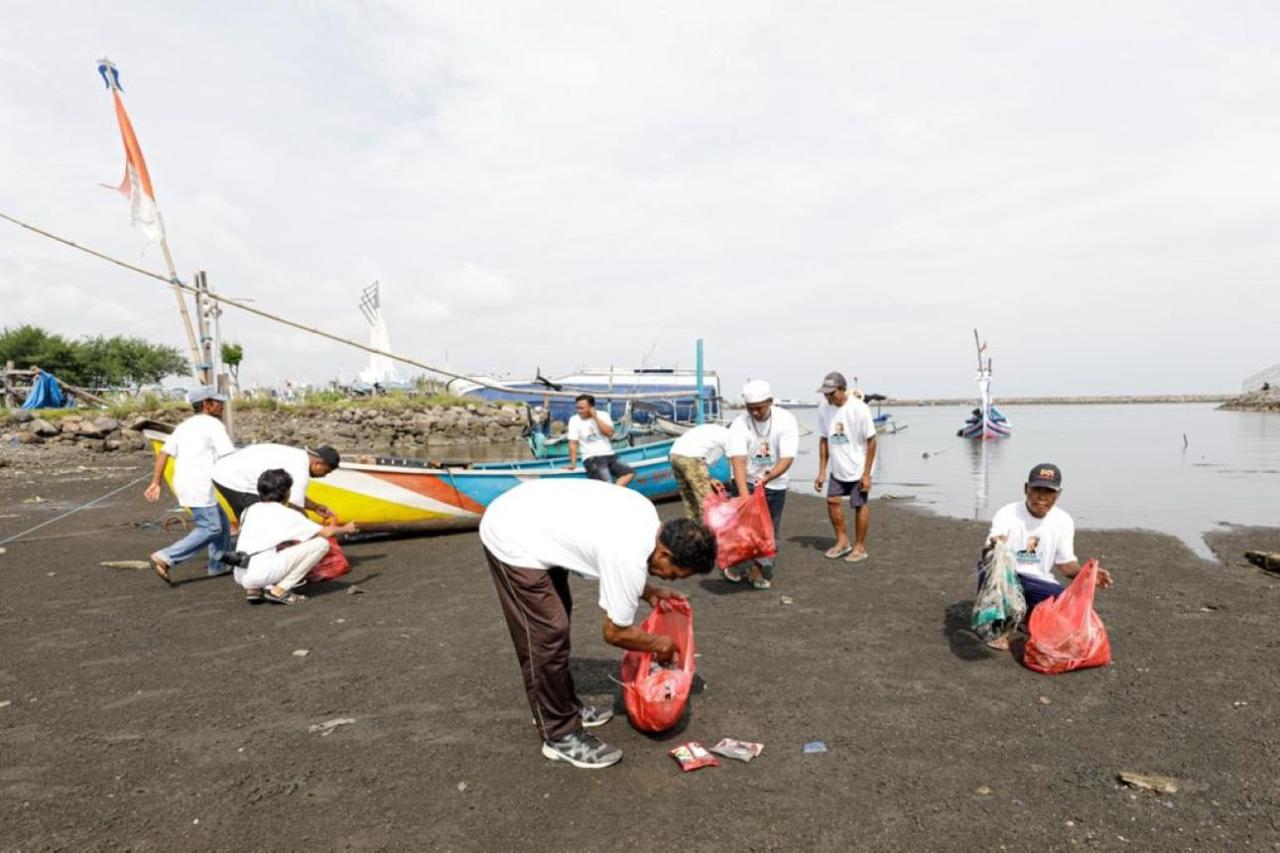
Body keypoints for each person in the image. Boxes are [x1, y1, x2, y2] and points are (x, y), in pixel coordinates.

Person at [480, 479, 717, 769]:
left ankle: (562, 706)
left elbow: (619, 564)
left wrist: (650, 591)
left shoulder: (648, 520)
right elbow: (614, 632)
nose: (670, 580)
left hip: (537, 522)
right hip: (511, 533)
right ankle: (559, 734)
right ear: (665, 553)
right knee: (546, 633)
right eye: (676, 574)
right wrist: (662, 645)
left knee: (557, 618)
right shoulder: (627, 553)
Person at [979, 463, 1113, 649]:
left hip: (1038, 580)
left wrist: (1089, 573)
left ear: (1058, 494)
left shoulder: (1063, 520)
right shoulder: (1008, 513)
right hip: (1007, 576)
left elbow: (1066, 565)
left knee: (1066, 610)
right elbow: (986, 553)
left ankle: (1027, 617)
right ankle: (996, 628)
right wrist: (994, 545)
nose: (1042, 496)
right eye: (1037, 489)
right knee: (988, 568)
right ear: (1026, 489)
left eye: (1049, 492)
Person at [144, 387, 235, 585]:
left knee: (223, 524)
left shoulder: (184, 426)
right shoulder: (212, 424)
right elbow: (228, 455)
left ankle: (219, 564)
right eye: (217, 401)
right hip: (199, 485)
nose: (222, 405)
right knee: (211, 528)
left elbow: (164, 453)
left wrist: (156, 482)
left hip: (185, 483)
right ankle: (165, 557)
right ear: (207, 404)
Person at [234, 468, 356, 604]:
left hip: (240, 573)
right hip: (262, 573)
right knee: (322, 544)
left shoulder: (249, 510)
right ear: (286, 492)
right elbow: (326, 533)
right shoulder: (285, 513)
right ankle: (279, 590)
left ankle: (254, 590)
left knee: (271, 548)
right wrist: (347, 528)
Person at [725, 380, 800, 589]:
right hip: (746, 480)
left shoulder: (786, 420)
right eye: (751, 408)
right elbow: (737, 461)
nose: (755, 413)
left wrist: (769, 477)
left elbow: (787, 458)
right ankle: (736, 561)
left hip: (774, 482)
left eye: (759, 407)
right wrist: (743, 494)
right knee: (743, 528)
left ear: (770, 402)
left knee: (769, 529)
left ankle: (758, 569)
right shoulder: (740, 423)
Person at [812, 371, 878, 563]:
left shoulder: (859, 408)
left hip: (859, 467)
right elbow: (824, 440)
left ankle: (859, 546)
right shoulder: (824, 409)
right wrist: (821, 471)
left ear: (843, 389)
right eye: (825, 394)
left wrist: (867, 474)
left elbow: (872, 441)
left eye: (831, 393)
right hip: (837, 467)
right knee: (832, 501)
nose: (827, 397)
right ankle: (842, 541)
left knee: (859, 505)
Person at [212, 443, 340, 523]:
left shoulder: (298, 457)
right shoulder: (300, 470)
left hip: (227, 470)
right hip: (233, 478)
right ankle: (251, 561)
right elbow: (296, 508)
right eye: (326, 471)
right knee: (260, 524)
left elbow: (293, 496)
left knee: (263, 523)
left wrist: (315, 507)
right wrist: (314, 532)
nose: (324, 476)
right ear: (318, 464)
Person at [565, 394, 634, 487]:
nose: (579, 411)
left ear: (591, 408)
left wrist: (596, 418)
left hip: (609, 455)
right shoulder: (574, 420)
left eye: (582, 408)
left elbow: (609, 433)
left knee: (629, 473)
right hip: (592, 458)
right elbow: (572, 443)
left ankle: (613, 494)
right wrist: (573, 463)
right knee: (606, 483)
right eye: (577, 408)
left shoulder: (603, 415)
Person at [668, 423, 730, 519]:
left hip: (674, 454)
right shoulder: (728, 435)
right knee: (706, 500)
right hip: (691, 456)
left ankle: (693, 527)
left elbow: (702, 465)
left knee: (689, 499)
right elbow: (733, 460)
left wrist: (709, 479)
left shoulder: (713, 429)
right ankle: (709, 529)